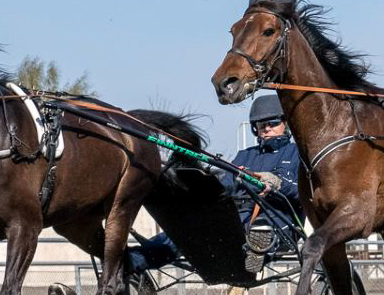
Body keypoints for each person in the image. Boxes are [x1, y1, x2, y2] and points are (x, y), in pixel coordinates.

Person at [126, 94, 301, 274]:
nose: (267, 128)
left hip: (277, 215)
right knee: (185, 231)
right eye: (261, 125)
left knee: (262, 227)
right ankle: (133, 260)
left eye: (273, 123)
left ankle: (256, 250)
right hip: (236, 215)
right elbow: (225, 186)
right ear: (255, 128)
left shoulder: (297, 152)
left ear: (285, 124)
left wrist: (278, 184)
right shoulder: (245, 155)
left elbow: (302, 191)